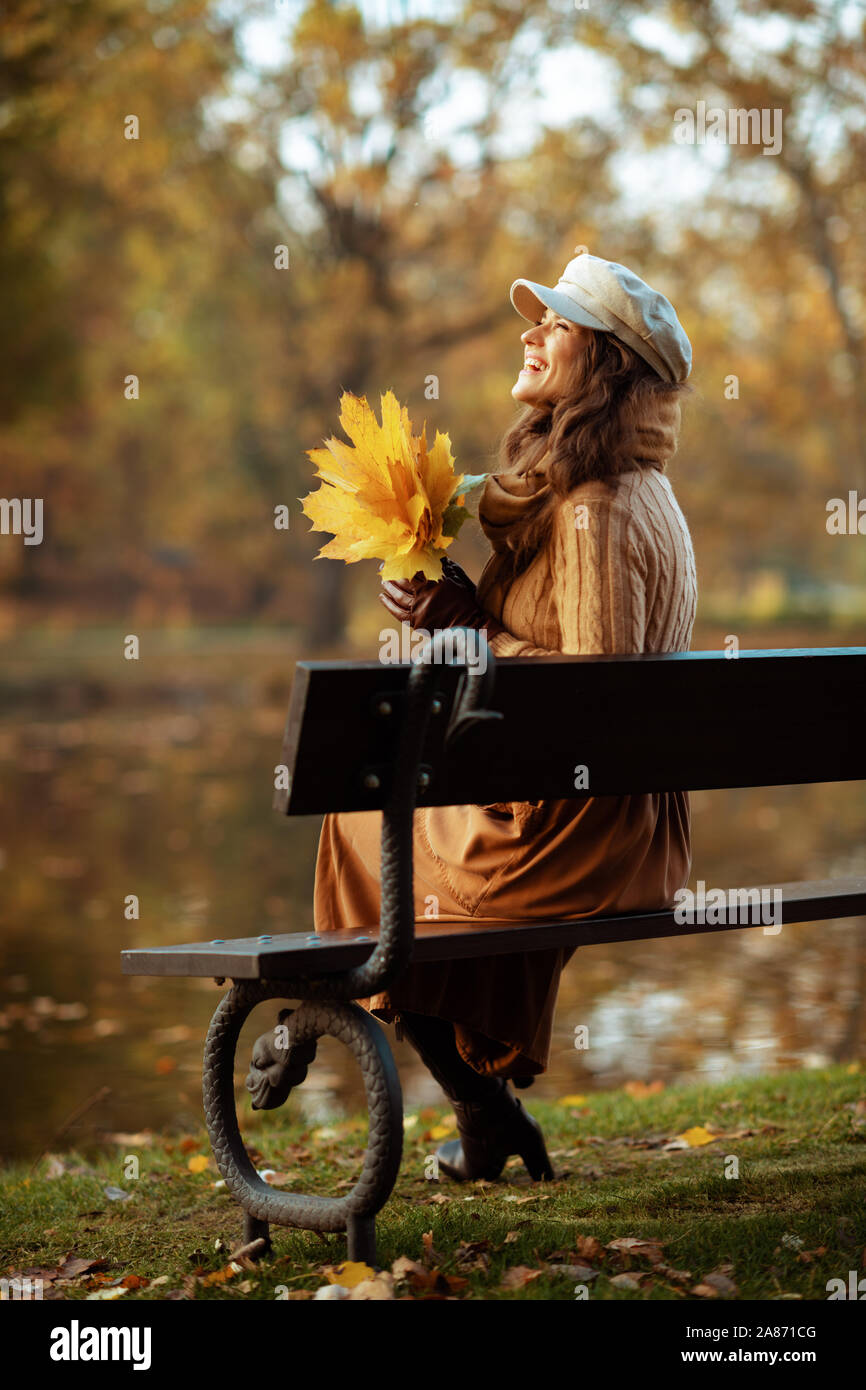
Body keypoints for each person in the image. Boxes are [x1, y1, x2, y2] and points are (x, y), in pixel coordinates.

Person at [313, 247, 698, 1183]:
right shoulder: (614, 492)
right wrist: (454, 619)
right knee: (398, 852)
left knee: (363, 829)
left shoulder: (595, 509)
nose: (531, 332)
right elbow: (559, 675)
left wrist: (468, 631)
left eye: (557, 323)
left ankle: (482, 1112)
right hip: (595, 810)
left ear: (604, 367)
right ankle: (488, 1119)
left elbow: (589, 700)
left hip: (588, 828)